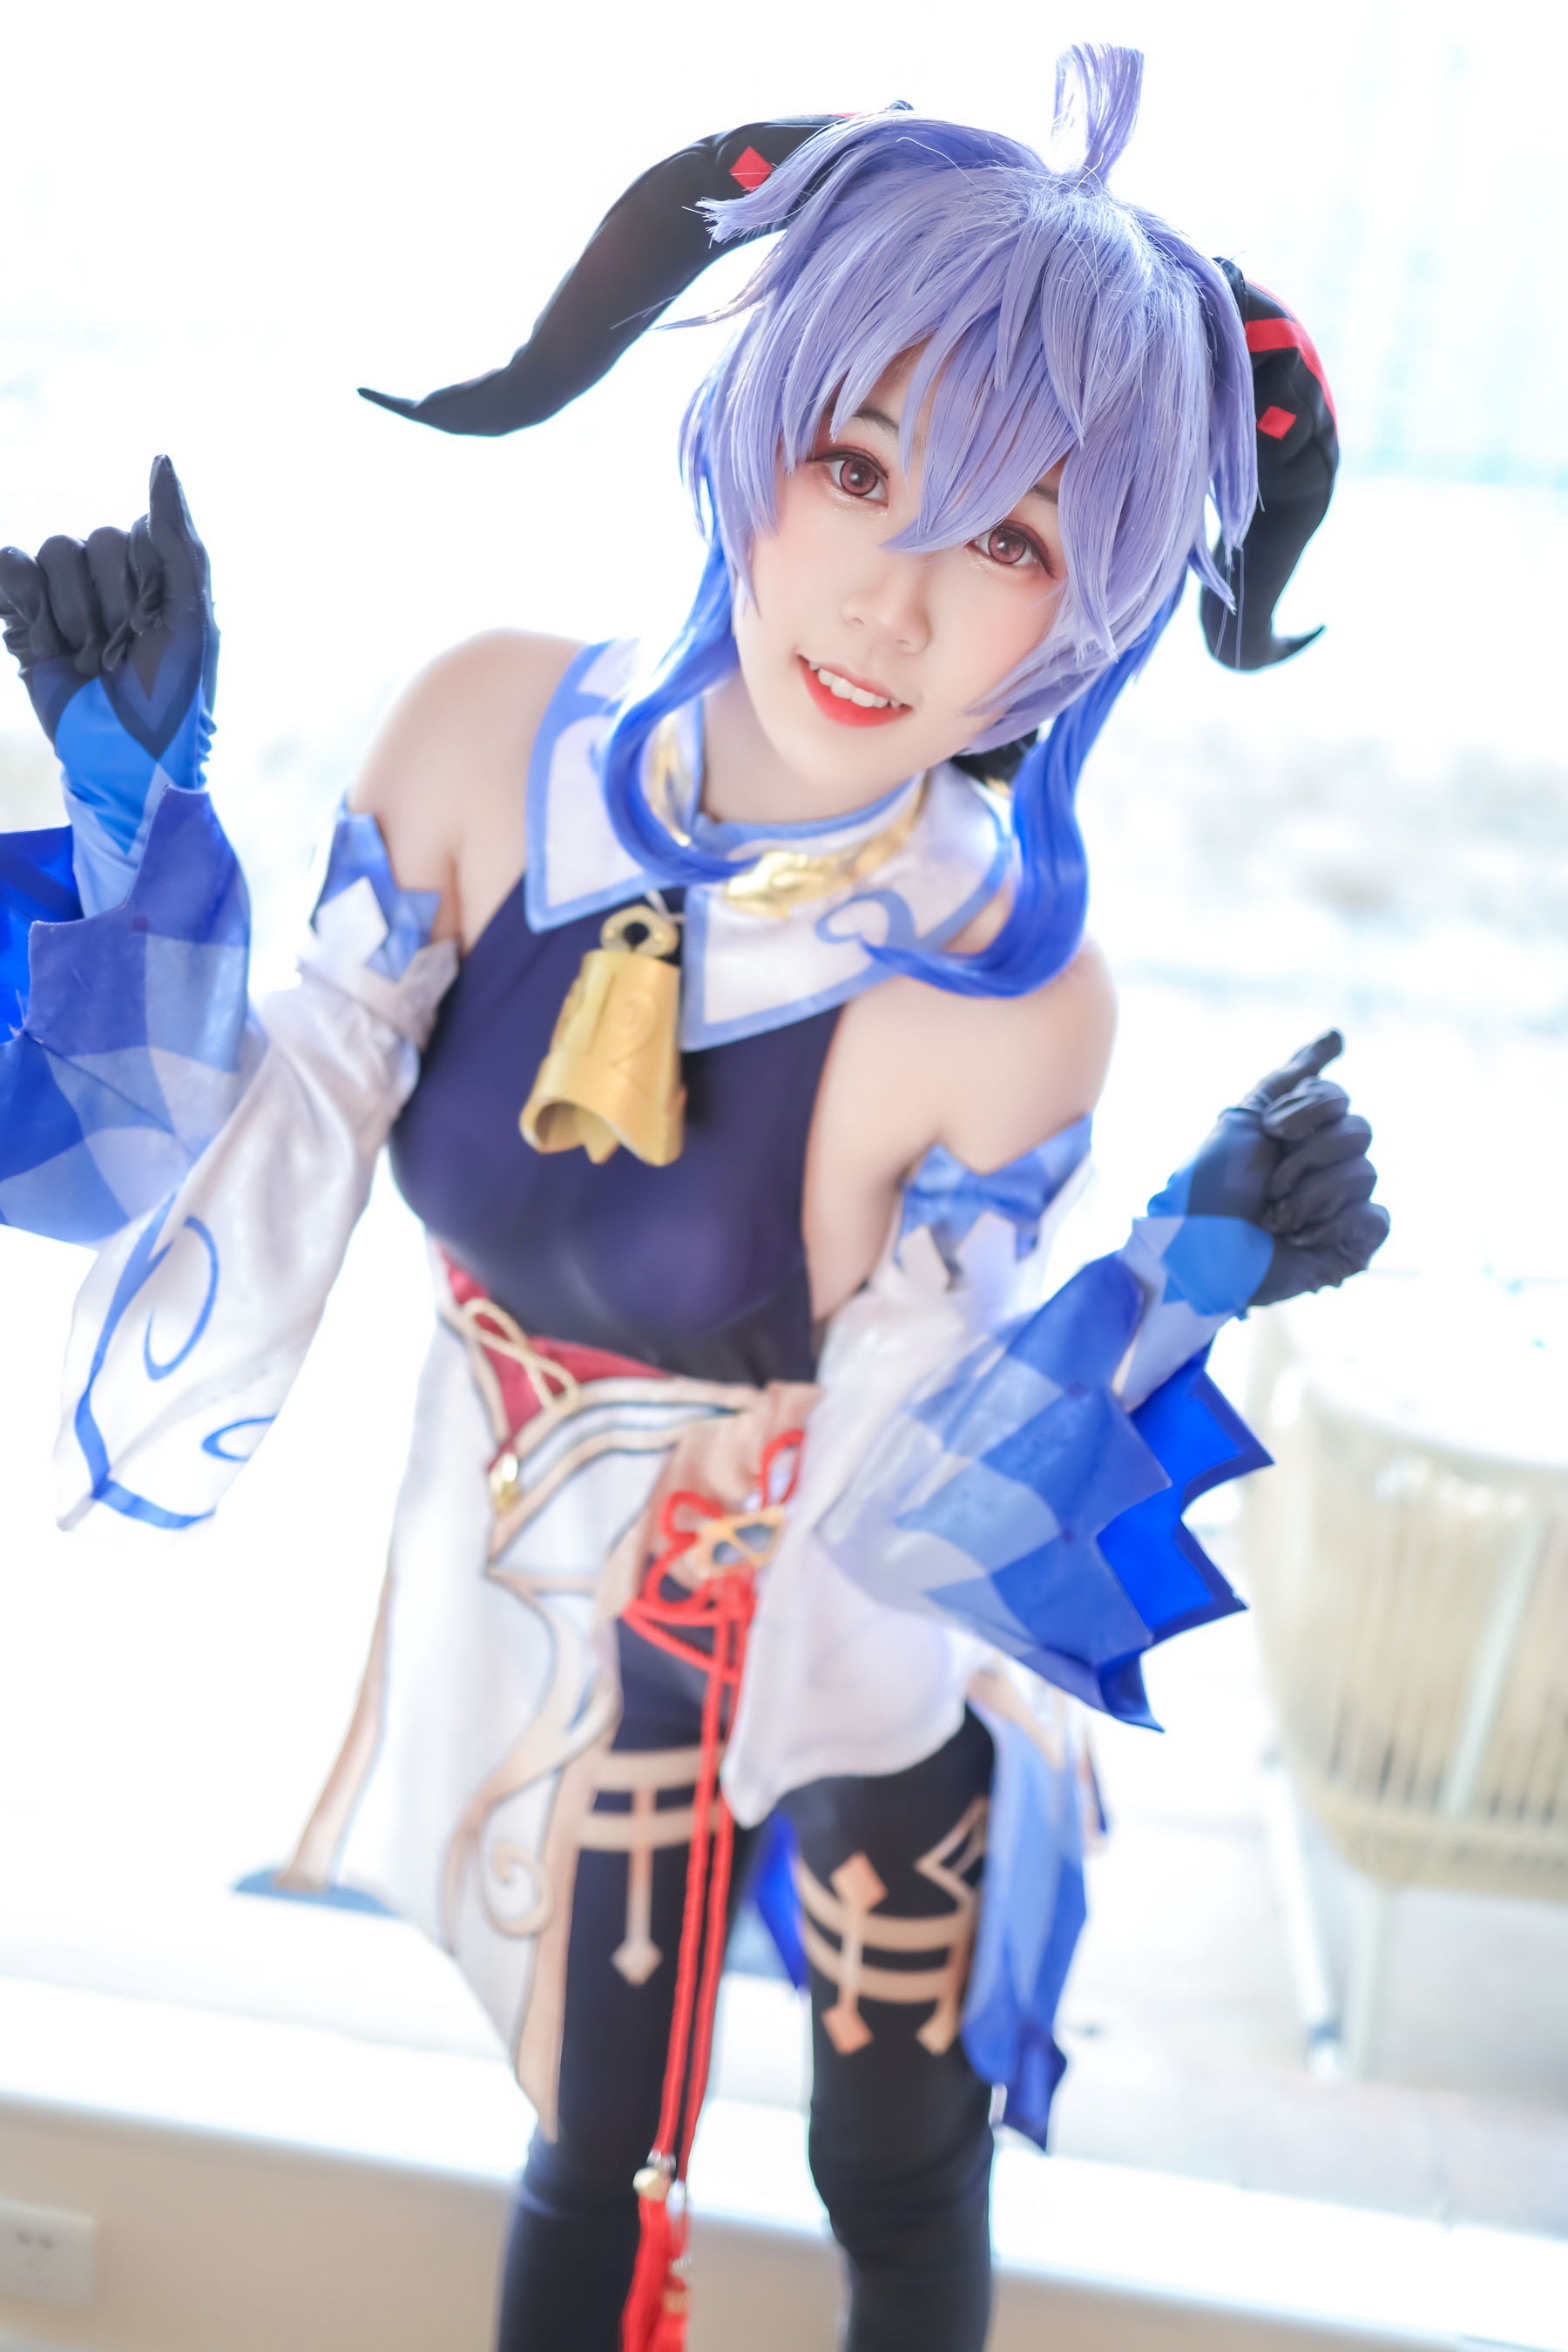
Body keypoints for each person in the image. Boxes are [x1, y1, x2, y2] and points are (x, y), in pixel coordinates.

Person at [0, 47, 1384, 2352]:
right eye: (860, 466)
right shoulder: (477, 740)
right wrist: (140, 827)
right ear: (753, 441)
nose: (892, 600)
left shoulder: (1005, 990)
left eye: (1015, 544)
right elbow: (226, 1196)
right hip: (562, 1598)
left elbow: (931, 1489)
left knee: (892, 2163)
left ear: (1094, 615)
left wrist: (1178, 1274)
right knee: (588, 2144)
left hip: (856, 1623)